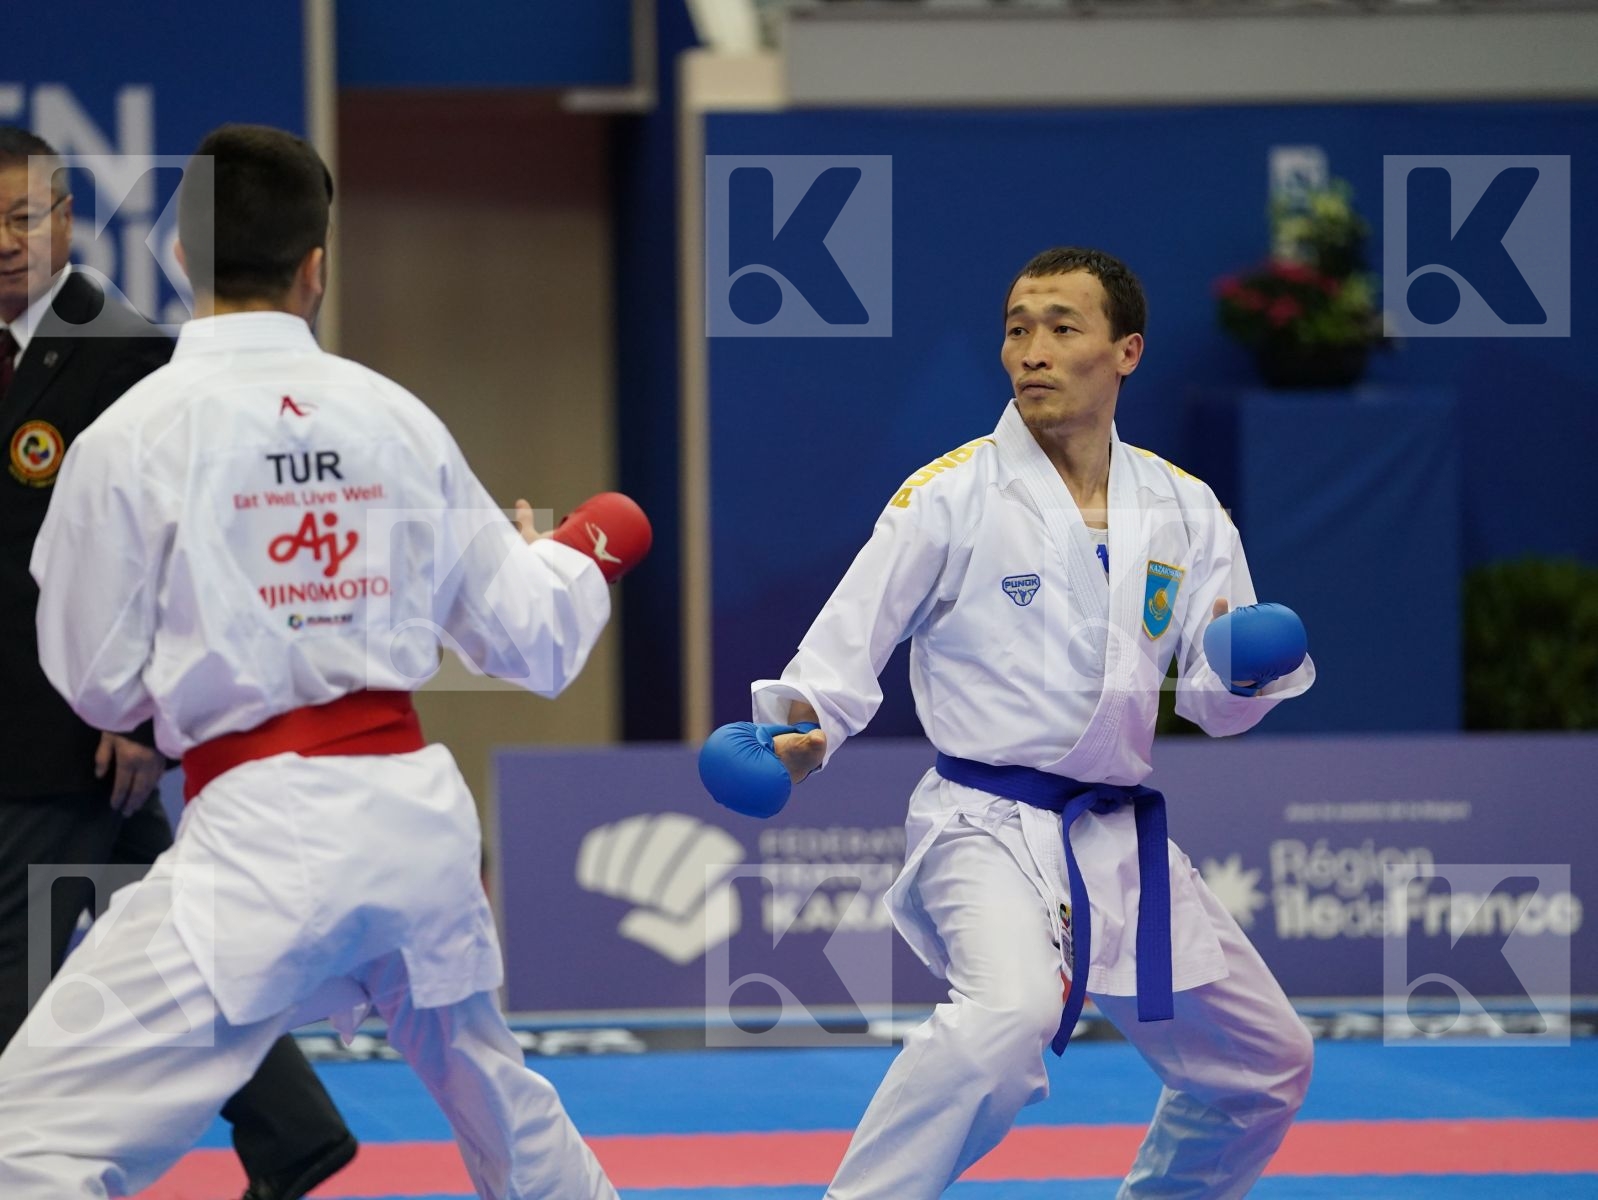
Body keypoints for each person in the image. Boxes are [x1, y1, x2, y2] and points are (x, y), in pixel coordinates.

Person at [0, 123, 645, 1199]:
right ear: (315, 268)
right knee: (505, 1113)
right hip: (416, 834)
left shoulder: (135, 432)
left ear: (174, 257)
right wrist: (585, 549)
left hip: (260, 841)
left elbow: (95, 683)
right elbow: (530, 640)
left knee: (27, 1140)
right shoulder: (394, 416)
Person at [720, 247, 1316, 1198]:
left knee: (1266, 1066)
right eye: (1016, 327)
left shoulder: (1186, 510)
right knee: (1008, 1016)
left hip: (1119, 834)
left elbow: (1212, 701)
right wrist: (799, 730)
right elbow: (842, 650)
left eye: (1061, 328)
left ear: (1126, 352)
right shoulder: (950, 495)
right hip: (983, 824)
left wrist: (1246, 673)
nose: (1031, 350)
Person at [0, 126, 356, 1200]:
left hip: (73, 736)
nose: (8, 244)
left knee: (26, 994)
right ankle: (293, 1129)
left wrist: (150, 717)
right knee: (174, 949)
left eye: (24, 218)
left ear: (66, 219)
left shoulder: (131, 355)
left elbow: (193, 549)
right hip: (27, 739)